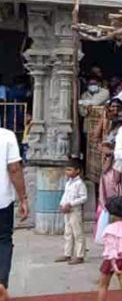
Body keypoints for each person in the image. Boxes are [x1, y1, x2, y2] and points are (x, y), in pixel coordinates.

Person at [0, 127, 29, 299]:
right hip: (2, 201)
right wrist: (23, 198)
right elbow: (14, 169)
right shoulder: (6, 136)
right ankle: (1, 282)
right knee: (3, 241)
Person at [55, 158, 88, 265]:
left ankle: (80, 255)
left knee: (78, 233)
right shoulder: (68, 183)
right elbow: (65, 195)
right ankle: (67, 254)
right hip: (67, 210)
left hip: (75, 210)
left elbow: (84, 198)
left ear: (77, 170)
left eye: (70, 170)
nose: (67, 172)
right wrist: (62, 204)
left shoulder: (80, 183)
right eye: (66, 170)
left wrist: (71, 204)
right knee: (68, 232)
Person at [95, 142, 122, 245]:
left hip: (112, 184)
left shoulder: (113, 158)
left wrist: (110, 156)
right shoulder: (108, 158)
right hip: (108, 183)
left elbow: (106, 170)